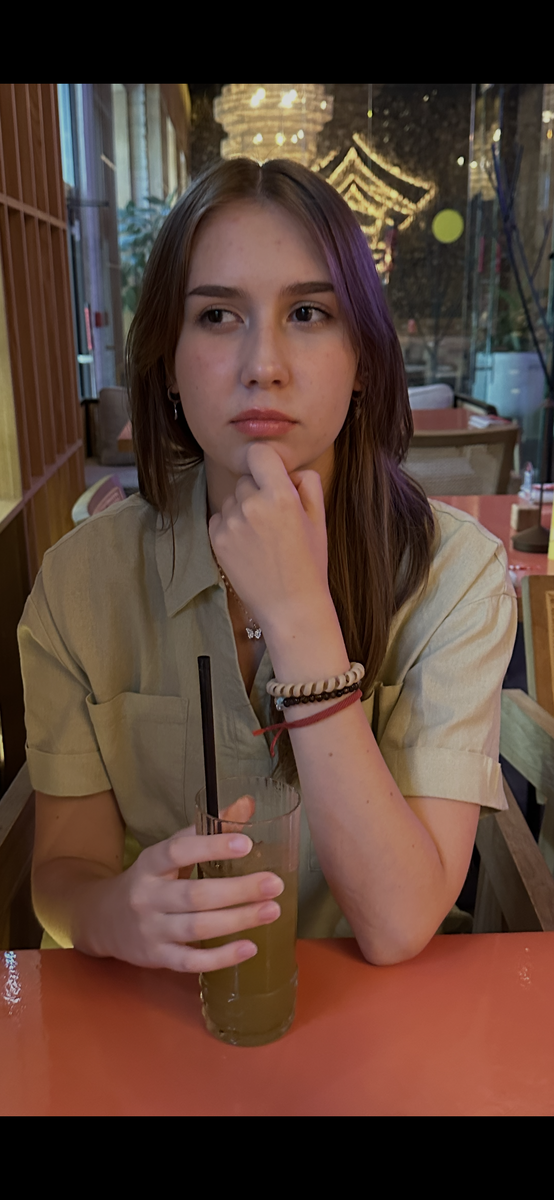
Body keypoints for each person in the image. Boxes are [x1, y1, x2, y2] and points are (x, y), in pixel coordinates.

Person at [18, 157, 517, 971]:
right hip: (157, 1006)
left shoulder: (455, 578)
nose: (264, 364)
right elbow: (62, 876)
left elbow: (397, 926)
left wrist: (298, 618)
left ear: (363, 359)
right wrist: (113, 914)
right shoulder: (80, 586)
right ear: (167, 361)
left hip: (377, 1015)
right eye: (217, 316)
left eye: (309, 312)